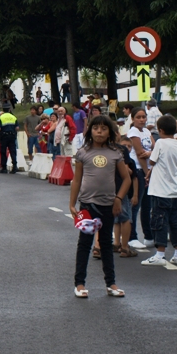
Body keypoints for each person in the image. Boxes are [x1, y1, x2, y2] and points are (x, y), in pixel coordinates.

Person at [70, 115, 132, 298]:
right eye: (96, 128)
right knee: (85, 244)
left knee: (106, 244)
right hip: (87, 205)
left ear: (110, 132)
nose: (99, 132)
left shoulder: (116, 153)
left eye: (104, 128)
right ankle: (79, 284)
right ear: (90, 130)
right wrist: (72, 204)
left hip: (109, 205)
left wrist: (119, 199)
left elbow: (127, 178)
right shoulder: (83, 152)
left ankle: (111, 283)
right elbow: (77, 179)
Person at [141, 115, 177, 266]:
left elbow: (153, 160)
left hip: (161, 191)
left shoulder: (160, 142)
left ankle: (160, 254)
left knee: (159, 221)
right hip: (176, 190)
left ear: (160, 130)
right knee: (176, 222)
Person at [127, 107, 154, 248]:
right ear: (133, 119)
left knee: (147, 205)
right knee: (135, 204)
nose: (142, 119)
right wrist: (147, 172)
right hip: (138, 170)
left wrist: (149, 154)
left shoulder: (147, 131)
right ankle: (131, 236)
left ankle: (149, 236)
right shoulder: (133, 132)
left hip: (148, 170)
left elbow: (155, 148)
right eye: (138, 117)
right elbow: (139, 153)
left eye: (144, 117)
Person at [0, 107, 19, 173]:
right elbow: (17, 128)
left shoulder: (1, 117)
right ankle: (14, 167)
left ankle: (4, 168)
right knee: (13, 151)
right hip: (12, 136)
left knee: (3, 151)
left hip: (4, 136)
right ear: (9, 110)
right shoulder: (13, 117)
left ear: (3, 110)